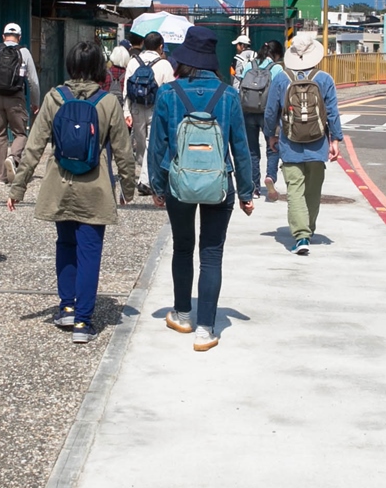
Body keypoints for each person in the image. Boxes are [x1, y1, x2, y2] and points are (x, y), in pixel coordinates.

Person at [8, 39, 138, 344]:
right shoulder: (108, 102)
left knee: (65, 244)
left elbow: (34, 145)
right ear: (99, 68)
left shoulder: (55, 98)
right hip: (95, 187)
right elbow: (123, 151)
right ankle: (83, 322)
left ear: (70, 65)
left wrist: (18, 187)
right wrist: (128, 188)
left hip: (60, 184)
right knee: (89, 251)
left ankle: (67, 307)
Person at [148, 26, 256, 352]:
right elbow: (241, 148)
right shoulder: (228, 95)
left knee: (182, 248)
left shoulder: (168, 93)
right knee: (211, 253)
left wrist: (157, 187)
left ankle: (182, 315)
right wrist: (246, 193)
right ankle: (206, 330)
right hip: (218, 184)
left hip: (178, 183)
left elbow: (157, 146)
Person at [262, 26, 345, 256]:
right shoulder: (324, 79)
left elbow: (270, 112)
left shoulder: (281, 78)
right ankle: (308, 229)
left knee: (295, 191)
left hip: (290, 144)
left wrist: (271, 135)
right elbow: (332, 113)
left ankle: (301, 237)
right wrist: (336, 140)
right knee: (313, 191)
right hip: (318, 145)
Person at [0, 22, 40, 177]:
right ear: (19, 37)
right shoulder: (24, 52)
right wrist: (35, 102)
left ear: (3, 36)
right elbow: (33, 81)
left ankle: (2, 175)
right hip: (16, 98)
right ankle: (13, 158)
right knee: (20, 134)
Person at [123, 32, 175, 193]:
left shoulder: (133, 62)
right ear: (161, 46)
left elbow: (126, 89)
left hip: (136, 107)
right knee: (150, 143)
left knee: (140, 144)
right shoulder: (165, 64)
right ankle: (146, 176)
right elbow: (171, 91)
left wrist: (126, 112)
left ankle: (144, 179)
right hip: (156, 108)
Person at [237, 39, 280, 194]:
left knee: (252, 150)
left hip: (248, 111)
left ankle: (254, 186)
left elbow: (240, 87)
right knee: (273, 146)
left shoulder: (249, 66)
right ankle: (270, 176)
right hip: (268, 113)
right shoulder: (276, 68)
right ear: (276, 54)